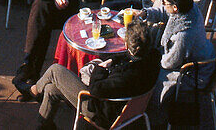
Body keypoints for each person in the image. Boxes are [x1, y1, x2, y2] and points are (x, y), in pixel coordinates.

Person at [30, 17, 159, 130]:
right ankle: (44, 125)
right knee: (51, 89)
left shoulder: (127, 75)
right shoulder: (153, 57)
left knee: (55, 70)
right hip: (131, 106)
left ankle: (34, 90)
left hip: (102, 112)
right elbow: (126, 58)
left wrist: (100, 68)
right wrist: (111, 60)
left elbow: (95, 89)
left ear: (126, 44)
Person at [144, 0, 215, 121]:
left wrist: (151, 59)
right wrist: (146, 13)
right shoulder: (190, 9)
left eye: (164, 2)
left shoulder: (184, 35)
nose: (163, 4)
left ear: (175, 8)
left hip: (193, 73)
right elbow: (165, 13)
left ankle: (153, 115)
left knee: (149, 75)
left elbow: (170, 63)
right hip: (202, 56)